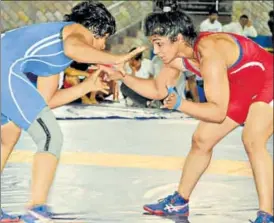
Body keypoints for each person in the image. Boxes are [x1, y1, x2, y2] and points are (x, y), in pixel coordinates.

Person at [99, 9, 273, 223]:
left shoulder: (210, 52)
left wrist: (181, 103)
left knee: (253, 140)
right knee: (201, 140)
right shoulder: (176, 56)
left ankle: (267, 215)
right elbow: (157, 89)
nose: (156, 50)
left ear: (178, 38)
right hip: (241, 87)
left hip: (268, 80)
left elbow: (218, 113)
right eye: (153, 43)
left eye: (159, 43)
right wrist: (122, 77)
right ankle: (180, 201)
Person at [0, 1, 145, 222]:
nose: (103, 46)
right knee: (50, 136)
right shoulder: (74, 31)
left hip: (6, 69)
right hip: (5, 69)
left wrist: (85, 87)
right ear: (96, 30)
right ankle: (36, 210)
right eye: (105, 39)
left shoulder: (53, 55)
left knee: (8, 137)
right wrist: (115, 60)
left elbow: (44, 102)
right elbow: (75, 46)